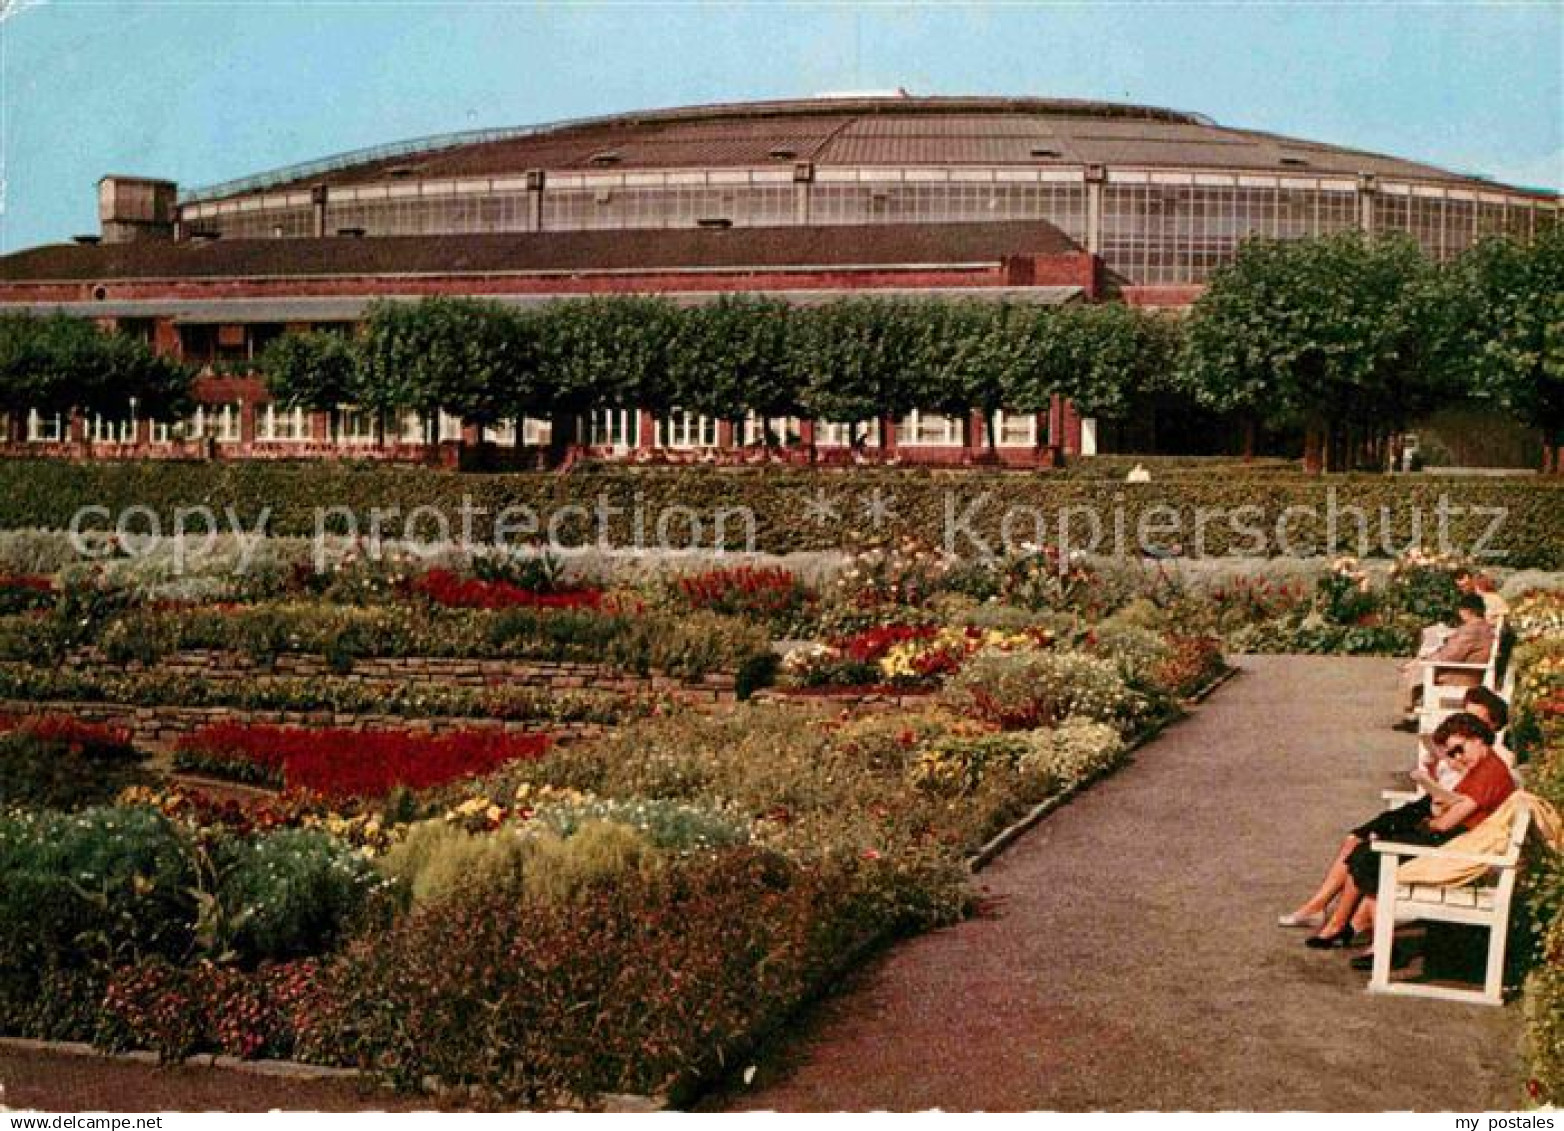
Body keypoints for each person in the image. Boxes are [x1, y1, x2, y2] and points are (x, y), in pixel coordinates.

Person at [1279, 695, 1511, 931]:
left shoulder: (1489, 764)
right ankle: (1326, 912)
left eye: (1475, 719)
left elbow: (1453, 814)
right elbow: (1452, 797)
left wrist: (1437, 804)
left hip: (1455, 834)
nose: (1468, 722)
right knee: (1356, 840)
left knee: (1369, 851)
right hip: (1440, 811)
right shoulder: (1474, 758)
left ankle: (1347, 923)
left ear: (1486, 730)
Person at [1397, 592, 1495, 721]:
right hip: (1470, 670)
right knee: (1416, 667)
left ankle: (1409, 713)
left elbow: (1450, 655)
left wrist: (1423, 660)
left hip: (1462, 675)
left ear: (1467, 611)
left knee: (1412, 671)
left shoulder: (1471, 630)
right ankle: (1411, 710)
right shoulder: (1484, 627)